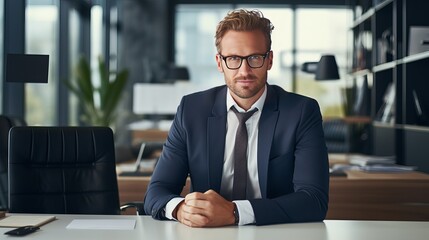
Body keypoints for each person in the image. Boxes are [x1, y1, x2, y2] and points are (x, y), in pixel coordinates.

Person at [144, 9, 329, 227]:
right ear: (219, 62)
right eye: (233, 58)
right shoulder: (191, 110)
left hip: (274, 233)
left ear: (269, 60)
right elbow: (156, 192)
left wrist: (235, 212)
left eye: (254, 58)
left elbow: (313, 201)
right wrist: (180, 209)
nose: (244, 70)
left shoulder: (301, 111)